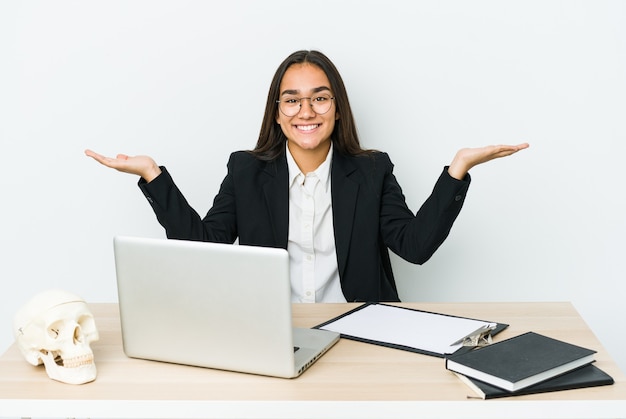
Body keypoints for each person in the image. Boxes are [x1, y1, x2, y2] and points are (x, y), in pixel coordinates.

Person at [86, 49, 528, 303]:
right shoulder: (246, 170)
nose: (307, 112)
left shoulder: (373, 170)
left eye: (320, 98)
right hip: (273, 334)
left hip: (363, 332)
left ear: (336, 109)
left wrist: (457, 171)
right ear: (277, 114)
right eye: (292, 101)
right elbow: (206, 247)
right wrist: (151, 175)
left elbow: (414, 247)